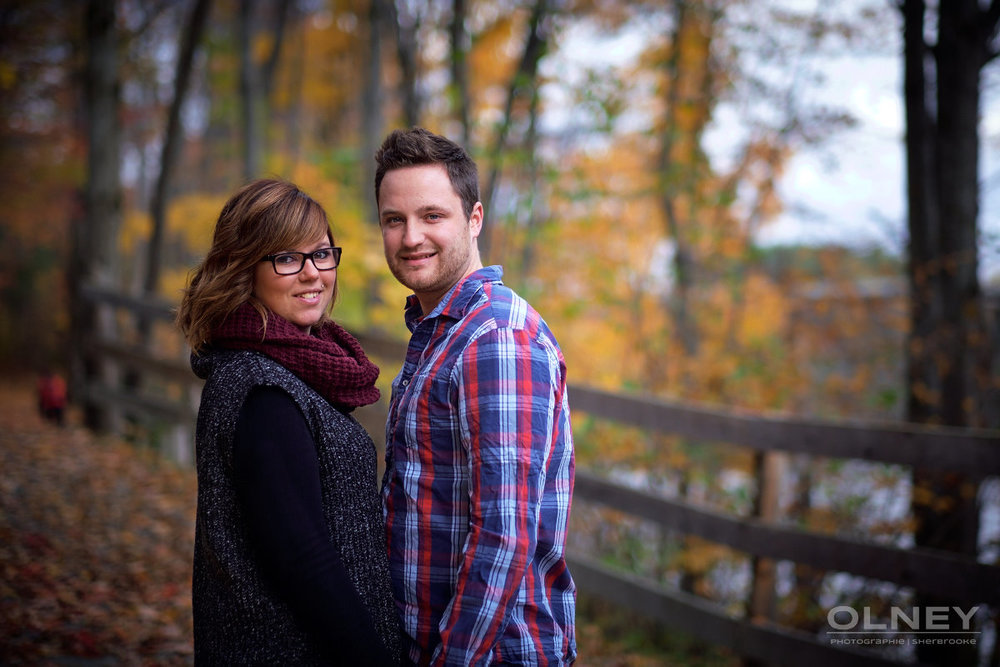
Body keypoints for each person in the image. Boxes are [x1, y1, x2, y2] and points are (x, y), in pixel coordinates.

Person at [176, 178, 401, 665]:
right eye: (285, 258)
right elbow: (304, 558)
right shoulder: (264, 390)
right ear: (244, 268)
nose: (312, 274)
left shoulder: (276, 368)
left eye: (322, 254)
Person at [374, 127, 577, 665]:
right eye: (394, 220)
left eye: (432, 215)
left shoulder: (496, 339)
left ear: (475, 218)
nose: (411, 236)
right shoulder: (439, 330)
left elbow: (504, 536)